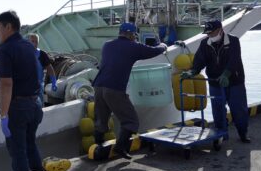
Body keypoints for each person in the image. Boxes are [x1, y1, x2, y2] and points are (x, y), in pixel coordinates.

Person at [92, 22, 167, 158]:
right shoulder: (133, 47)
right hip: (114, 88)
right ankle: (120, 148)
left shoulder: (107, 45)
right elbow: (153, 51)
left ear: (120, 32)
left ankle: (97, 149)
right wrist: (162, 46)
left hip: (98, 86)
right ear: (132, 35)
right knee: (131, 121)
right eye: (134, 35)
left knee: (101, 120)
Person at [0, 10, 46, 171]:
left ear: (8, 27)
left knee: (17, 151)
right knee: (31, 144)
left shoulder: (6, 50)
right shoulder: (27, 45)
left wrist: (3, 115)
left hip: (18, 107)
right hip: (35, 104)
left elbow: (6, 85)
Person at [183, 19, 250, 143]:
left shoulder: (233, 41)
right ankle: (221, 135)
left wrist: (226, 74)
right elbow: (199, 61)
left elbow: (234, 60)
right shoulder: (205, 44)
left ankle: (243, 133)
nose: (210, 36)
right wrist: (193, 71)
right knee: (218, 110)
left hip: (235, 82)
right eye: (208, 33)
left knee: (239, 109)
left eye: (212, 33)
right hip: (215, 82)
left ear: (220, 30)